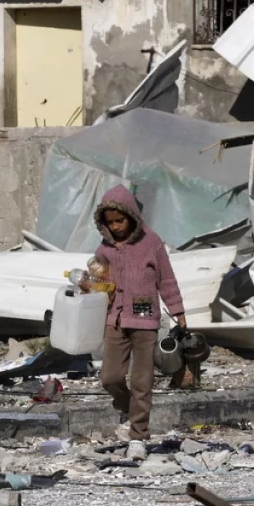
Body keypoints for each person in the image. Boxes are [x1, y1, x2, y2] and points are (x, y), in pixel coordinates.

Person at [93, 185, 186, 441]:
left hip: (145, 321)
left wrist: (178, 310)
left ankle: (139, 434)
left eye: (119, 221)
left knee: (142, 381)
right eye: (110, 222)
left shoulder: (151, 243)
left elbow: (166, 280)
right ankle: (127, 407)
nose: (115, 227)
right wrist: (92, 285)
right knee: (110, 378)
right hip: (115, 319)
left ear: (132, 216)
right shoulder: (104, 249)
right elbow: (97, 280)